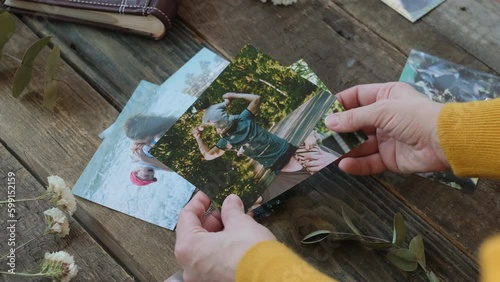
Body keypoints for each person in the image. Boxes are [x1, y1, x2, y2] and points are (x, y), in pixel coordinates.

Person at [174, 82, 500, 282]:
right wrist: (451, 134)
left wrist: (256, 271)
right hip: (285, 160)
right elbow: (245, 111)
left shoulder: (233, 132)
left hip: (284, 163)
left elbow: (210, 154)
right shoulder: (238, 126)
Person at [192, 92, 303, 173]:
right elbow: (256, 98)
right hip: (288, 149)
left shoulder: (226, 142)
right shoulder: (244, 118)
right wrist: (233, 96)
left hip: (278, 166)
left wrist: (198, 137)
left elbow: (207, 156)